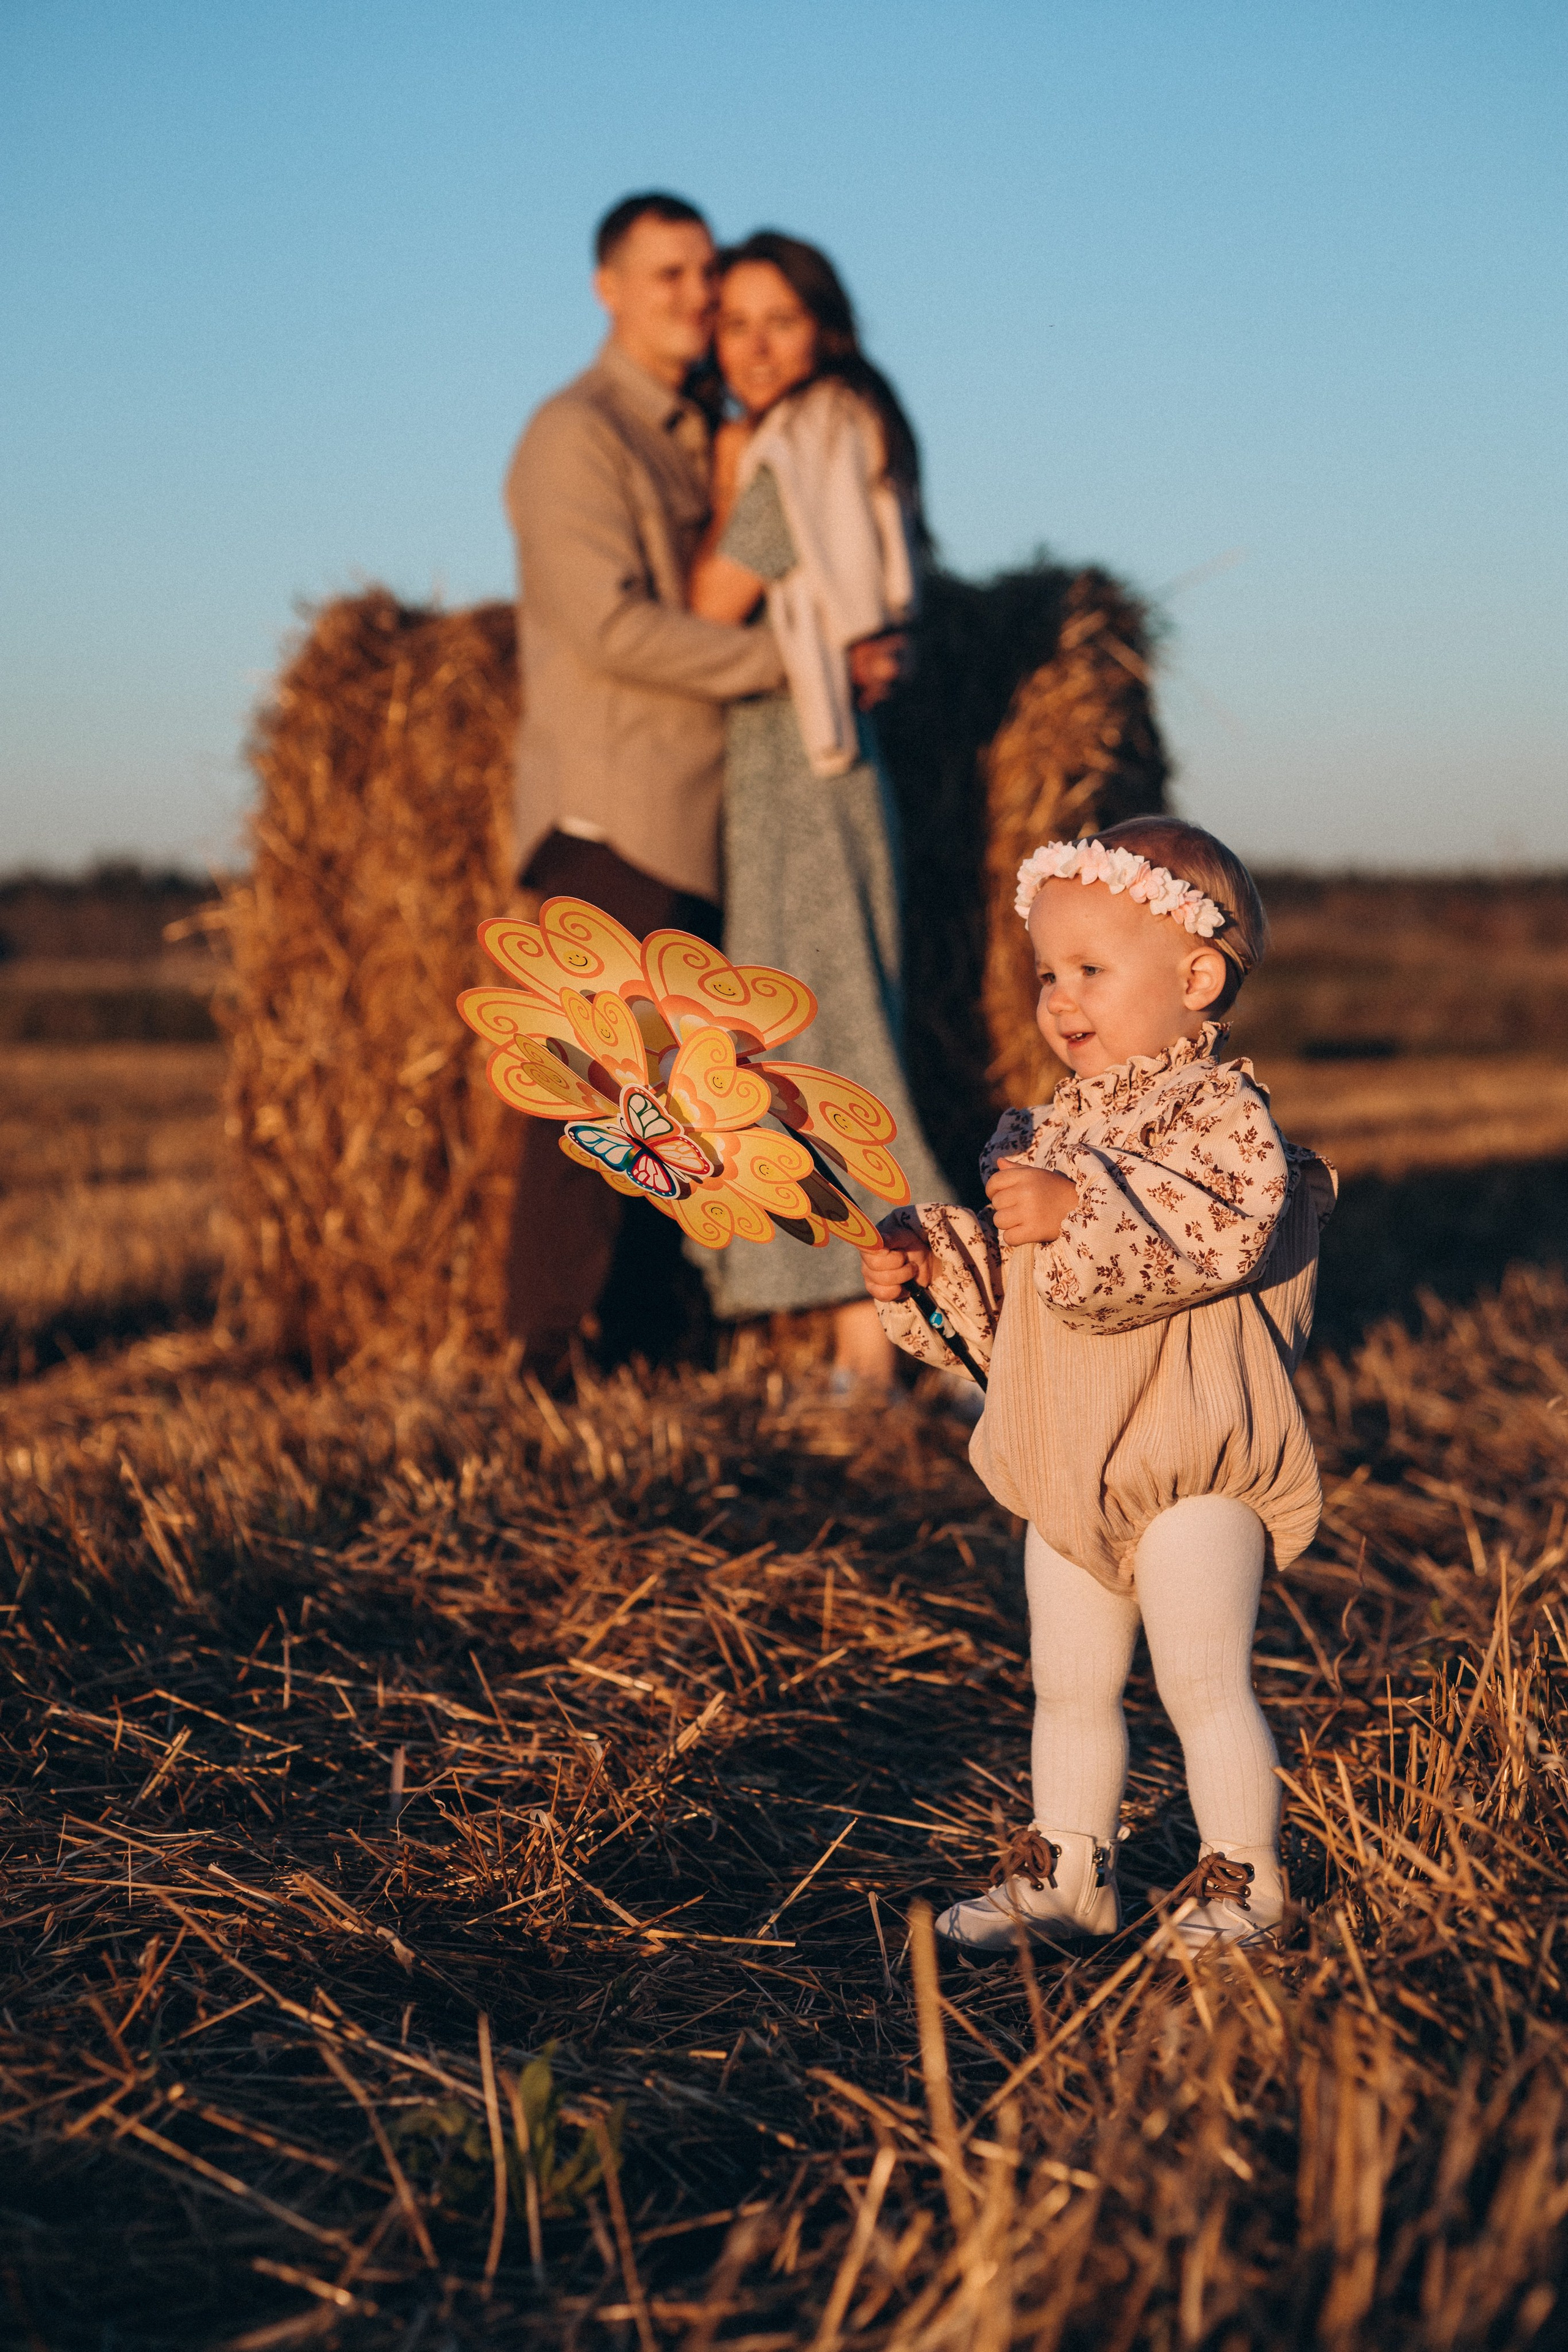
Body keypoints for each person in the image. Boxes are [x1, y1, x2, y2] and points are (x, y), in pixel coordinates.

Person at [862, 818, 1338, 1953]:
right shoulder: (1038, 1135)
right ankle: (1068, 1873)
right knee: (1067, 1690)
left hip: (1191, 1462)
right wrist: (933, 1271)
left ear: (1197, 977)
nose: (1060, 998)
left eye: (1090, 970)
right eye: (1045, 973)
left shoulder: (1226, 1123)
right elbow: (1019, 1330)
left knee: (1201, 1682)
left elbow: (1211, 1239)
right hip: (1076, 1465)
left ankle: (1247, 1887)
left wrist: (1076, 1212)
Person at [502, 192, 787, 1377]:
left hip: (695, 812)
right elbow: (612, 628)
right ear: (606, 288)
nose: (695, 295)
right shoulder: (577, 435)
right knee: (592, 1089)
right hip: (612, 812)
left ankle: (652, 1338)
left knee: (677, 1092)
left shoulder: (695, 428)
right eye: (666, 273)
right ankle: (549, 1348)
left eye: (704, 273)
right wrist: (789, 664)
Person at [686, 232, 952, 1393]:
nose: (752, 348)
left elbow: (713, 600)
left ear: (825, 328)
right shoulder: (858, 429)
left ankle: (958, 1297)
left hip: (803, 765)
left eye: (777, 322)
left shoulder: (794, 439)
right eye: (732, 325)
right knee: (821, 1040)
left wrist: (725, 468)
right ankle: (868, 1337)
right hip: (812, 756)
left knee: (829, 1041)